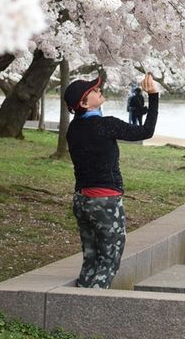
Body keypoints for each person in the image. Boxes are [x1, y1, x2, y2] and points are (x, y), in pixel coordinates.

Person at [63, 73, 159, 289]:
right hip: (106, 201)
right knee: (108, 262)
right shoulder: (105, 125)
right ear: (84, 103)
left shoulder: (73, 129)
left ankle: (76, 304)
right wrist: (153, 96)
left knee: (91, 259)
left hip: (82, 200)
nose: (99, 90)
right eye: (93, 91)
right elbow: (146, 131)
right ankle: (91, 309)